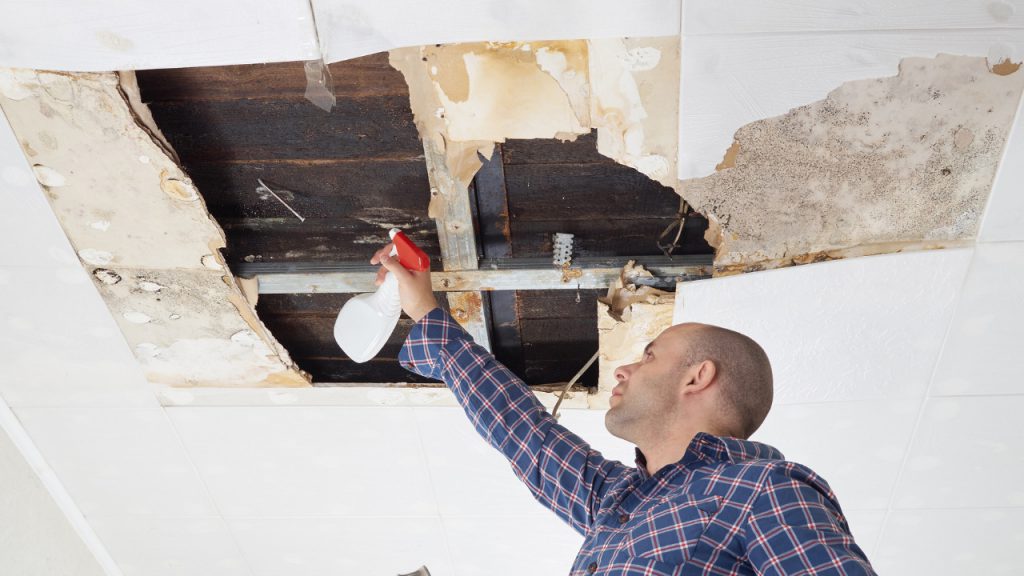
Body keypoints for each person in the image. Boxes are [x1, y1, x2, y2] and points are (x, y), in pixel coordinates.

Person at [372, 244, 877, 575]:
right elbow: (523, 431)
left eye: (649, 356)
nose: (623, 370)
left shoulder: (763, 490)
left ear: (698, 377)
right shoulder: (618, 501)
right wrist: (425, 311)